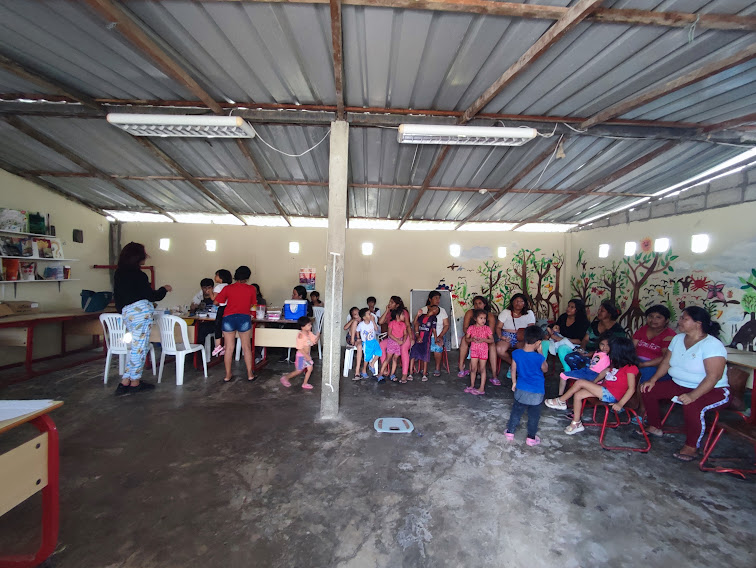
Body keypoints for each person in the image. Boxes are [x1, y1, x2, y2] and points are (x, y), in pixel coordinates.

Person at [640, 306, 730, 462]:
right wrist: (653, 380)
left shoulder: (712, 345)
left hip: (713, 389)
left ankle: (691, 447)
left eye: (684, 319)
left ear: (698, 323)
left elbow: (713, 377)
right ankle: (654, 426)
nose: (679, 321)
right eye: (681, 318)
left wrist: (693, 395)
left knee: (692, 405)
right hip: (679, 384)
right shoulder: (677, 339)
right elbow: (666, 362)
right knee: (648, 390)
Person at [546, 337, 639, 436]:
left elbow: (631, 389)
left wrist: (620, 404)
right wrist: (593, 383)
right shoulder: (617, 364)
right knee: (578, 395)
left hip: (612, 395)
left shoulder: (631, 368)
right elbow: (603, 374)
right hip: (605, 390)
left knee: (580, 382)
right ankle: (576, 423)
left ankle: (561, 401)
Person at [113, 242, 171, 396]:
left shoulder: (119, 273)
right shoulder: (139, 275)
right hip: (141, 313)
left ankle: (126, 380)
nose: (146, 256)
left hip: (127, 313)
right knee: (139, 348)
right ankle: (135, 382)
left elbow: (118, 297)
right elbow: (151, 296)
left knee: (136, 347)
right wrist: (164, 289)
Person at [505, 326, 548, 446]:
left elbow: (513, 369)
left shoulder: (516, 353)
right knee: (534, 416)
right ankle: (531, 438)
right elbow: (545, 369)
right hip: (537, 392)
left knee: (516, 412)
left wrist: (514, 382)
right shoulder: (539, 357)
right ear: (538, 342)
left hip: (521, 389)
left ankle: (510, 432)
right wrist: (541, 352)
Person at [214, 266, 257, 383]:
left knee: (229, 348)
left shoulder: (228, 288)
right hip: (244, 318)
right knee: (246, 347)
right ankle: (250, 374)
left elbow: (216, 302)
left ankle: (228, 375)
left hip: (228, 318)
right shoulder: (251, 289)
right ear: (248, 277)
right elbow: (253, 304)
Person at [542, 298, 591, 387]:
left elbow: (580, 340)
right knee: (544, 343)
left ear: (578, 309)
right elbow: (555, 327)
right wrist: (554, 330)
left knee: (562, 349)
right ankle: (542, 367)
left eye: (572, 307)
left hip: (572, 345)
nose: (568, 309)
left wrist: (562, 339)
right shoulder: (563, 317)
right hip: (558, 341)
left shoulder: (583, 322)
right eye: (568, 306)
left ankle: (567, 373)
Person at [457, 296, 498, 383]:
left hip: (485, 338)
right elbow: (465, 328)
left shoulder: (489, 315)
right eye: (475, 304)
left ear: (484, 304)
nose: (477, 305)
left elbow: (491, 332)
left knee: (492, 345)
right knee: (464, 339)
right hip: (472, 336)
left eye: (480, 303)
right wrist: (472, 336)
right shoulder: (470, 313)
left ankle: (494, 375)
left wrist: (482, 338)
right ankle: (461, 367)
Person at [633, 305, 676, 384]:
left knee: (644, 374)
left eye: (658, 317)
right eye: (650, 316)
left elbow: (666, 357)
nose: (653, 320)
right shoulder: (643, 329)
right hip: (637, 362)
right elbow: (632, 347)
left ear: (666, 320)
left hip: (655, 366)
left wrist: (644, 364)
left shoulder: (669, 335)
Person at [495, 293, 537, 373]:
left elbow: (531, 328)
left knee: (526, 350)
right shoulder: (506, 312)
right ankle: (514, 365)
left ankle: (521, 368)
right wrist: (500, 336)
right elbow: (498, 327)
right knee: (499, 349)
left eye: (521, 301)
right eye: (516, 301)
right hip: (507, 336)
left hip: (522, 336)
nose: (518, 303)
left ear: (525, 304)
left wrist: (527, 339)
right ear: (512, 302)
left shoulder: (529, 313)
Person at [379, 296, 413, 382]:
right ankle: (385, 369)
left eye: (392, 302)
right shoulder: (390, 313)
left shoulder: (403, 312)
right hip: (393, 338)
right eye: (389, 302)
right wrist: (387, 310)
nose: (389, 304)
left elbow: (407, 325)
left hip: (405, 335)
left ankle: (404, 374)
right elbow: (380, 322)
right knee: (381, 345)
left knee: (403, 348)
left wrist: (411, 338)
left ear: (397, 305)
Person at [280, 316, 319, 390]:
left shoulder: (309, 333)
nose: (310, 326)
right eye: (308, 325)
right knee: (298, 371)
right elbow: (299, 348)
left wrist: (317, 336)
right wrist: (306, 356)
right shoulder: (300, 336)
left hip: (307, 356)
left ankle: (305, 383)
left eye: (310, 324)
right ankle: (285, 378)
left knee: (310, 369)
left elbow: (314, 341)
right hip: (301, 356)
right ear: (302, 327)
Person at [464, 309, 494, 395]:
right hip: (474, 351)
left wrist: (484, 340)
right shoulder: (471, 328)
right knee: (473, 368)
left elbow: (491, 340)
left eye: (484, 318)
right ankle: (472, 385)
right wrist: (471, 339)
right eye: (481, 318)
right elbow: (466, 339)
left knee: (482, 369)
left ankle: (481, 388)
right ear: (475, 318)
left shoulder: (487, 328)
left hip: (483, 351)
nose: (483, 320)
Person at [419, 291, 449, 377]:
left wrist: (440, 336)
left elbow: (446, 325)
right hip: (425, 335)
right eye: (436, 298)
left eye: (439, 298)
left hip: (439, 334)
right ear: (430, 299)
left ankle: (437, 368)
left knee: (437, 347)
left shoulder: (442, 311)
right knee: (423, 347)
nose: (438, 300)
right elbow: (418, 324)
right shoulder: (423, 310)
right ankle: (423, 368)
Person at [410, 305, 439, 382]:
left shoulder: (433, 318)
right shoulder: (422, 316)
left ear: (436, 313)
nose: (435, 309)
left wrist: (436, 340)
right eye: (434, 307)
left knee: (425, 356)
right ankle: (410, 373)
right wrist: (417, 315)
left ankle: (424, 374)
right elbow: (415, 323)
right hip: (417, 337)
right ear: (430, 308)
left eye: (436, 309)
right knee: (413, 354)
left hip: (426, 339)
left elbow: (434, 330)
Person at [380, 309, 408, 382]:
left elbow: (405, 334)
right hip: (392, 342)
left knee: (395, 359)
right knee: (388, 358)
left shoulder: (403, 324)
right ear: (397, 316)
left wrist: (403, 341)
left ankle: (392, 374)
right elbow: (389, 334)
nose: (404, 316)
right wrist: (397, 340)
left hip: (399, 343)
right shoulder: (392, 323)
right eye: (402, 315)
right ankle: (380, 374)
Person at [211, 269, 232, 357]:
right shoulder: (229, 286)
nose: (215, 277)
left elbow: (214, 300)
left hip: (222, 308)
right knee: (226, 329)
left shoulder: (218, 287)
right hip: (229, 309)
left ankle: (218, 346)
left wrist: (210, 292)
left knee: (217, 326)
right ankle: (225, 347)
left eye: (216, 275)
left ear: (221, 277)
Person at [357, 308, 382, 379]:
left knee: (379, 352)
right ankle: (364, 370)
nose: (371, 315)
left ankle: (372, 363)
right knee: (367, 357)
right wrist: (358, 338)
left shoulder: (371, 323)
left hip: (373, 341)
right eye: (369, 314)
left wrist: (373, 321)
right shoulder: (361, 324)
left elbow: (376, 329)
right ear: (364, 317)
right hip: (366, 343)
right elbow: (357, 331)